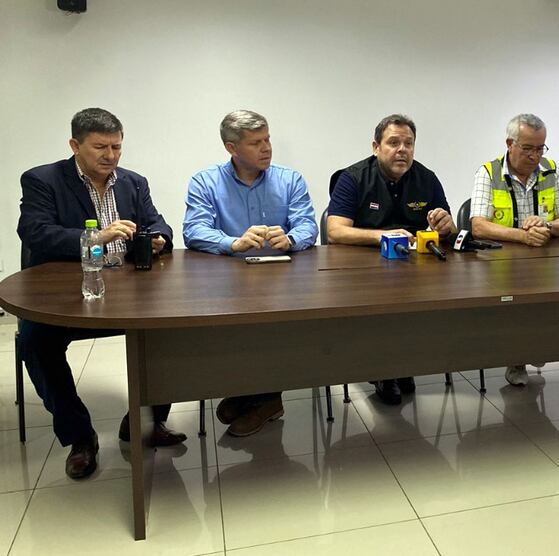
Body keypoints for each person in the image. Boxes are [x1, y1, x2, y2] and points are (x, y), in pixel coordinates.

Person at [17, 108, 185, 480]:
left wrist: (159, 238)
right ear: (75, 145)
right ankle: (80, 437)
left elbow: (157, 222)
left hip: (129, 292)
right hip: (68, 293)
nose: (111, 156)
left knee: (172, 331)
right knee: (35, 341)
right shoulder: (43, 180)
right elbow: (35, 232)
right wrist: (95, 236)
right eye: (100, 147)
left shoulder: (133, 182)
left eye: (117, 147)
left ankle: (145, 420)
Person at [183, 110, 318, 436]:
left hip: (283, 281)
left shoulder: (290, 179)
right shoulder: (205, 181)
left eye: (268, 139)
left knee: (276, 324)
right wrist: (234, 242)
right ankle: (250, 391)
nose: (267, 148)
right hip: (228, 281)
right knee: (230, 328)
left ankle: (266, 398)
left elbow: (308, 225)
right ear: (232, 148)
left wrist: (291, 238)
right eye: (256, 143)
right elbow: (193, 231)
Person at [327, 113, 456, 404]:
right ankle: (385, 370)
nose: (402, 150)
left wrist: (446, 225)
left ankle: (404, 362)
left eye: (408, 143)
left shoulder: (426, 178)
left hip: (413, 268)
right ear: (376, 147)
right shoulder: (353, 178)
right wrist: (383, 235)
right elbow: (335, 231)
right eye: (394, 142)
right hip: (363, 269)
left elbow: (448, 229)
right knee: (383, 306)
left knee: (427, 300)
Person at [470, 113, 559, 386]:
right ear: (510, 143)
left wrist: (548, 226)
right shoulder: (489, 173)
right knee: (514, 302)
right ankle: (517, 358)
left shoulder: (551, 169)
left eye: (540, 148)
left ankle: (535, 345)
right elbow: (478, 227)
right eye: (528, 148)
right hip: (500, 264)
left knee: (557, 298)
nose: (535, 155)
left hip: (543, 262)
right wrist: (522, 236)